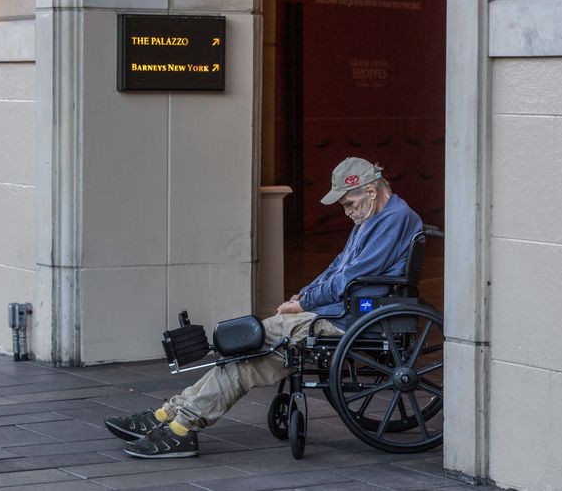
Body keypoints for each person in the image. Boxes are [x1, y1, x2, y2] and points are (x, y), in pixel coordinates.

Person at [104, 156, 422, 458]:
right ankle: (172, 415)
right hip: (342, 310)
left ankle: (180, 422)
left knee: (245, 349)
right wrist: (303, 295)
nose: (347, 212)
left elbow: (348, 279)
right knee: (243, 352)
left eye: (349, 204)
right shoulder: (374, 217)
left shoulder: (393, 219)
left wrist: (305, 303)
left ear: (370, 190)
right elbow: (337, 268)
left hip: (350, 318)